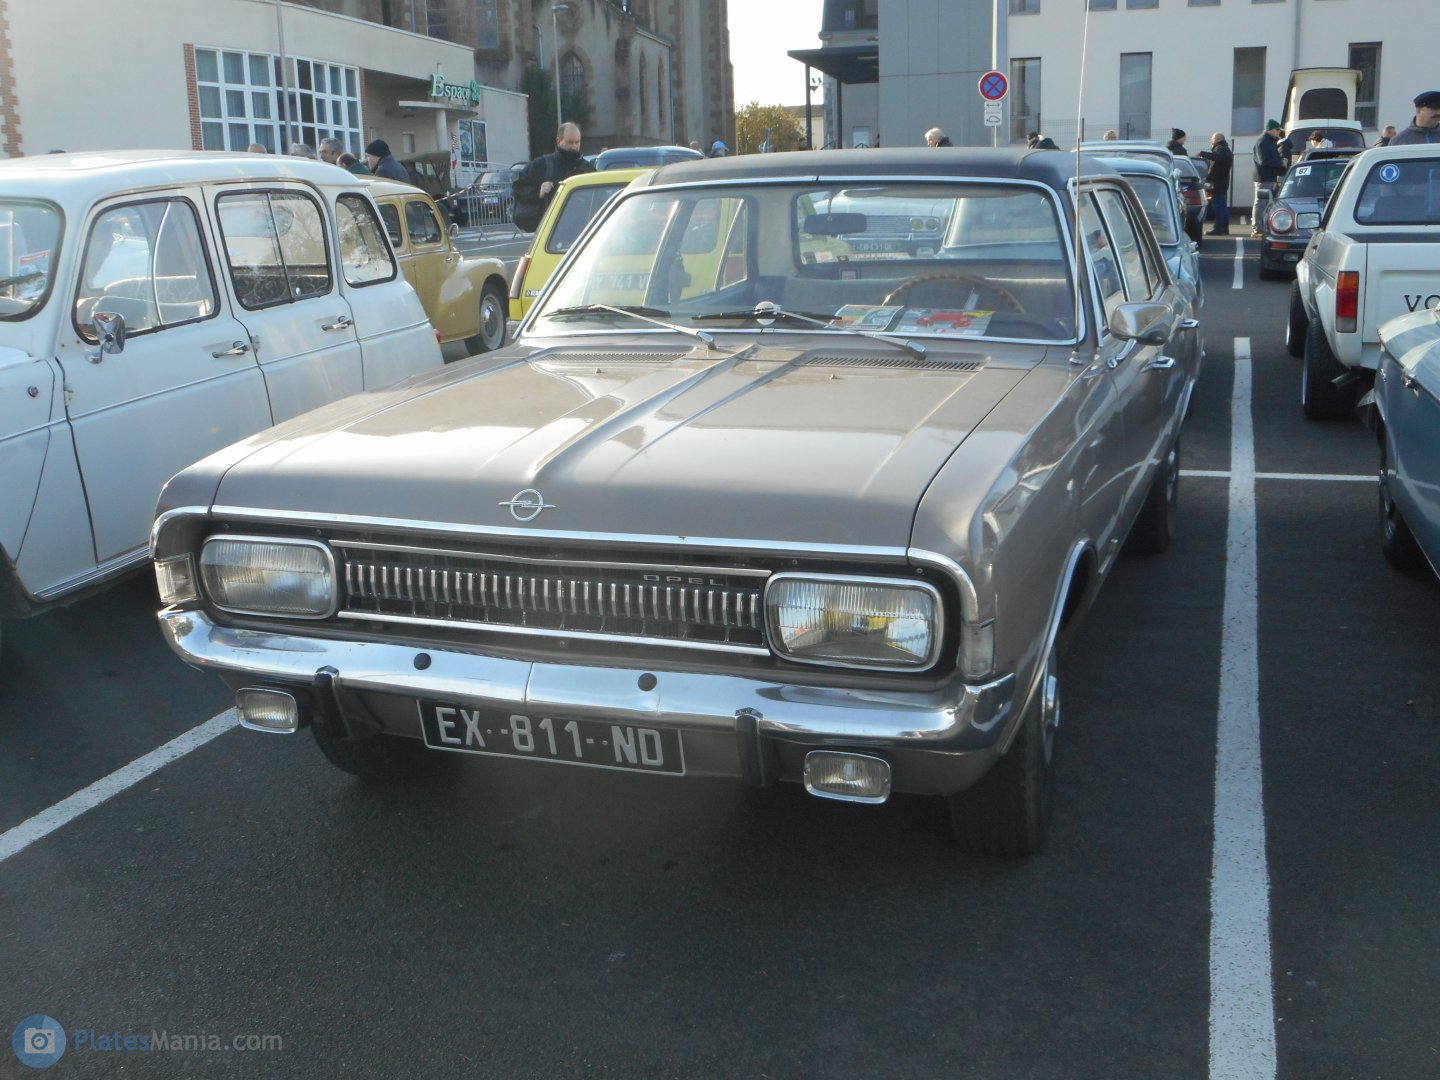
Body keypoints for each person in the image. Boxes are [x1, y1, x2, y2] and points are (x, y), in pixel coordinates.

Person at [511, 121, 595, 231]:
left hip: (583, 231)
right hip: (550, 233)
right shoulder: (541, 165)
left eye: (577, 142)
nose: (574, 146)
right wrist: (538, 193)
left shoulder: (588, 169)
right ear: (558, 141)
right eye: (570, 142)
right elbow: (518, 188)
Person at [1251, 118, 1287, 236]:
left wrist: (1281, 161)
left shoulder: (1269, 142)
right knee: (1261, 202)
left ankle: (1262, 226)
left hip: (1269, 177)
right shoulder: (1262, 142)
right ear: (1270, 129)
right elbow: (1263, 160)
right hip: (1263, 177)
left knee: (1266, 203)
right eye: (1277, 129)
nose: (1278, 132)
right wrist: (1280, 162)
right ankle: (1257, 227)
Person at [1197, 131, 1233, 235]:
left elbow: (1217, 157)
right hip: (1222, 183)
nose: (1211, 141)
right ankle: (1224, 228)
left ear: (1217, 140)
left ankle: (1218, 228)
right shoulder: (1224, 149)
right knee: (1222, 205)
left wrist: (1202, 153)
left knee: (1218, 206)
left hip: (1218, 183)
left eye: (1212, 139)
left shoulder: (1221, 149)